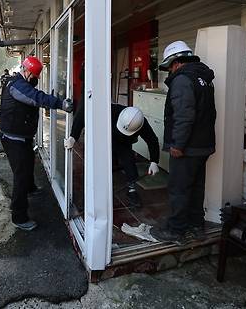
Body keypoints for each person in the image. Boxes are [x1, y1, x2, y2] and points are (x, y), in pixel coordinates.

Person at [150, 41, 216, 243]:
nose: (170, 71)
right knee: (196, 188)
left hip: (187, 147)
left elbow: (184, 115)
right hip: (203, 145)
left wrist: (177, 144)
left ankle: (176, 230)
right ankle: (196, 226)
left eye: (170, 66)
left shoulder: (182, 80)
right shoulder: (203, 79)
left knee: (179, 189)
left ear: (177, 62)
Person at [0, 56, 74, 231]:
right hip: (13, 139)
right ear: (27, 72)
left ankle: (30, 188)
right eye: (34, 77)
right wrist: (60, 103)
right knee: (21, 176)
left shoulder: (19, 82)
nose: (35, 81)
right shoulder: (17, 86)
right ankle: (19, 217)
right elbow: (35, 97)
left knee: (29, 162)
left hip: (20, 136)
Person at [65, 104, 160, 208]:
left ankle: (132, 189)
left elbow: (152, 141)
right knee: (99, 162)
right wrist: (73, 136)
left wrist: (154, 161)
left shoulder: (142, 123)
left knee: (128, 160)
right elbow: (83, 112)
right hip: (105, 134)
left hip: (124, 142)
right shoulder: (111, 110)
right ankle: (92, 192)